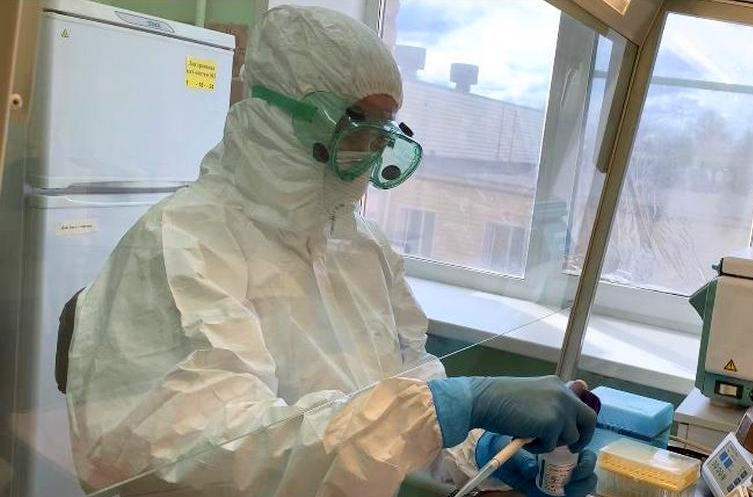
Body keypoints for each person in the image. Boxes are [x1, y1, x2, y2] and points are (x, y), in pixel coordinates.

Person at [65, 6, 597, 497]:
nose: (366, 160)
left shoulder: (362, 249)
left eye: (379, 138)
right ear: (280, 117)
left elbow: (397, 411)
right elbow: (213, 457)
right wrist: (447, 409)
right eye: (355, 130)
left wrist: (480, 449)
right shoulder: (182, 244)